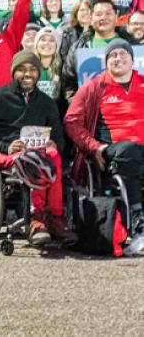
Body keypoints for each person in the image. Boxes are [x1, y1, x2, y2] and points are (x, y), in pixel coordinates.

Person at [0, 51, 74, 246]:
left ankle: (55, 216)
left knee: (51, 154)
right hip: (7, 155)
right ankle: (37, 218)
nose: (27, 74)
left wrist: (54, 143)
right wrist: (6, 146)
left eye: (33, 70)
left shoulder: (46, 102)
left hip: (40, 154)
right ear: (13, 73)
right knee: (36, 158)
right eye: (22, 70)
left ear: (38, 73)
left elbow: (60, 139)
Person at [64, 39, 144, 255]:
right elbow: (71, 121)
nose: (118, 59)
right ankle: (137, 221)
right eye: (113, 56)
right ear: (106, 61)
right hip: (112, 149)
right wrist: (94, 147)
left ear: (131, 58)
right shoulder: (95, 86)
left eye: (122, 54)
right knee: (128, 150)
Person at [62, 0, 135, 100]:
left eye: (108, 13)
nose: (103, 17)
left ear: (116, 17)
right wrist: (80, 106)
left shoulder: (134, 45)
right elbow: (68, 83)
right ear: (91, 19)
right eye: (98, 14)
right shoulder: (79, 48)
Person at [33, 28, 62, 102]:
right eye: (43, 40)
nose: (47, 43)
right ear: (36, 44)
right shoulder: (28, 68)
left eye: (51, 40)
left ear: (56, 46)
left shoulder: (63, 69)